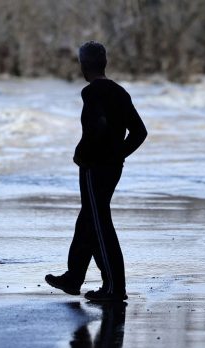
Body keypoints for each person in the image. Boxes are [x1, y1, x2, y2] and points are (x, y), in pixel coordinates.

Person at [46, 41, 147, 302]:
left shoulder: (91, 93)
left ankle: (114, 287)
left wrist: (84, 153)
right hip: (111, 167)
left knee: (100, 225)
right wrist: (119, 155)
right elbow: (139, 132)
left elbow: (97, 126)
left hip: (95, 168)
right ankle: (74, 278)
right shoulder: (120, 92)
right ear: (104, 62)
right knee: (89, 220)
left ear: (83, 66)